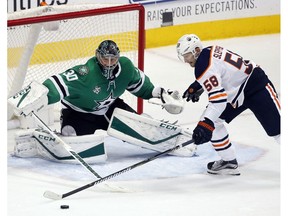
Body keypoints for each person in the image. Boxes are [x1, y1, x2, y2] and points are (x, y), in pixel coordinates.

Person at [9, 40, 183, 136]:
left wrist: (160, 94)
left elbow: (142, 87)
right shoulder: (85, 73)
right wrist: (38, 98)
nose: (108, 63)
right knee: (71, 135)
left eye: (112, 59)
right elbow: (56, 84)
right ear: (97, 56)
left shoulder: (126, 67)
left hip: (111, 109)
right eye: (104, 59)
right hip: (79, 114)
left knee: (143, 129)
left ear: (118, 57)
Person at [176, 34, 281, 175]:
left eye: (187, 55)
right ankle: (229, 161)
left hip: (257, 87)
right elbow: (221, 70)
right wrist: (198, 85)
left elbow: (218, 100)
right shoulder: (209, 50)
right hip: (236, 93)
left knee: (279, 131)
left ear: (196, 51)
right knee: (215, 121)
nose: (185, 60)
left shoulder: (202, 66)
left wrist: (205, 124)